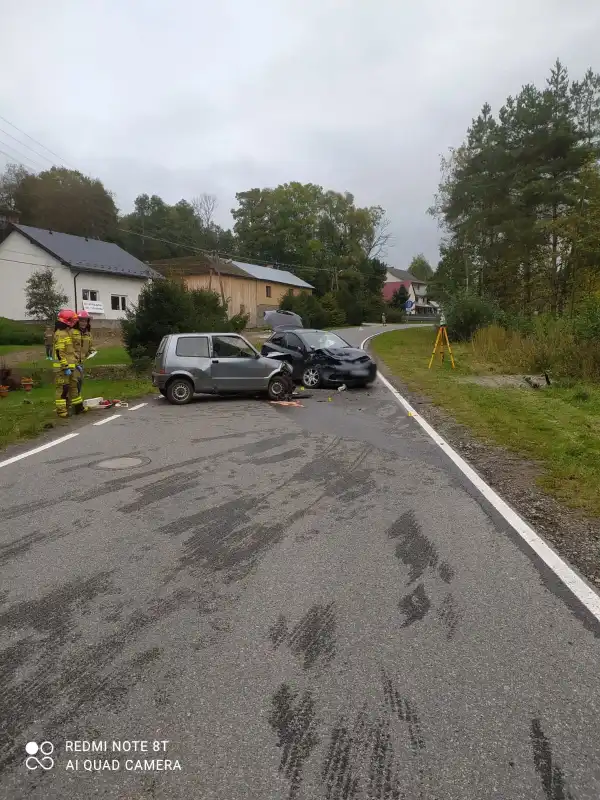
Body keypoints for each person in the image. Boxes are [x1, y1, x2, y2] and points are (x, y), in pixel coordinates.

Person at [53, 309, 78, 418]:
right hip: (62, 368)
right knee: (63, 389)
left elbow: (68, 351)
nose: (74, 322)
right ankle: (61, 411)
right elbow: (60, 353)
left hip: (70, 367)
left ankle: (77, 407)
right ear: (67, 321)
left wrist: (75, 360)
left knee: (73, 387)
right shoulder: (60, 334)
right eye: (72, 320)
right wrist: (65, 366)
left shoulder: (67, 332)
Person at [73, 310, 93, 399]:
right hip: (72, 361)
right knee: (74, 382)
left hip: (81, 362)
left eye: (85, 321)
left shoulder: (88, 334)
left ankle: (77, 400)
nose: (83, 323)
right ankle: (73, 402)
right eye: (81, 320)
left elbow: (90, 347)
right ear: (77, 321)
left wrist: (92, 351)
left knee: (80, 381)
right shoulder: (72, 332)